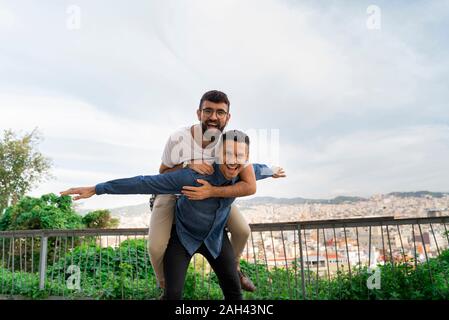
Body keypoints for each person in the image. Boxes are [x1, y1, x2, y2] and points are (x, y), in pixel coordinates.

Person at [60, 130, 286, 300]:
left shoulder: (246, 174)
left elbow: (260, 169)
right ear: (217, 154)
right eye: (227, 153)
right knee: (172, 294)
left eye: (239, 156)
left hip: (215, 239)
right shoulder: (192, 176)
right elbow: (143, 182)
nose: (233, 160)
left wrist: (273, 170)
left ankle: (236, 272)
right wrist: (97, 188)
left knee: (233, 292)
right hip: (183, 238)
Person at [150, 90, 266, 292]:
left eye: (220, 112)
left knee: (242, 230)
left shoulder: (229, 141)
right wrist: (188, 164)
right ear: (199, 113)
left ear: (227, 117)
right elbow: (162, 173)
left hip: (209, 195)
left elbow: (248, 173)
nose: (214, 117)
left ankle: (235, 269)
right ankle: (164, 285)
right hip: (175, 192)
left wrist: (270, 170)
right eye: (208, 111)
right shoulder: (179, 138)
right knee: (156, 246)